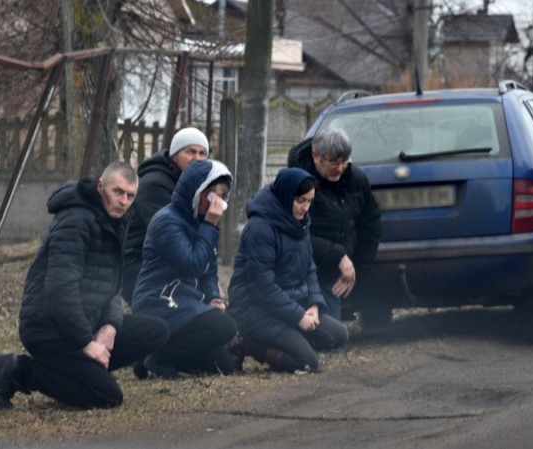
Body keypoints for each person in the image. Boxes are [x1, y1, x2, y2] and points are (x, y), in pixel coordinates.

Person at [0, 162, 169, 410]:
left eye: (130, 195)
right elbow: (61, 289)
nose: (124, 201)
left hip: (85, 319)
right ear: (101, 186)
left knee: (156, 329)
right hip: (48, 328)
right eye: (118, 192)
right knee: (108, 396)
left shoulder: (117, 220)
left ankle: (79, 372)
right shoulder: (75, 220)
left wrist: (110, 326)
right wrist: (86, 343)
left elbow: (112, 285)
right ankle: (19, 370)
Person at [228, 167, 349, 374]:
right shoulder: (260, 228)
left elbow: (310, 268)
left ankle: (290, 338)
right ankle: (246, 342)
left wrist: (313, 304)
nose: (305, 208)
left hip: (291, 304)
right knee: (307, 363)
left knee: (339, 335)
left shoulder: (300, 223)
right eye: (300, 200)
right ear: (285, 195)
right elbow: (262, 286)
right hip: (255, 309)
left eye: (309, 201)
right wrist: (297, 317)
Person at [130, 159, 238, 379]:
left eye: (222, 196)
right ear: (196, 191)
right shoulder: (167, 222)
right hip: (160, 301)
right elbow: (192, 265)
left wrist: (214, 298)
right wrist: (210, 225)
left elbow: (208, 269)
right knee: (224, 327)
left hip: (188, 301)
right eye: (211, 195)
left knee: (222, 365)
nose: (216, 202)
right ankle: (159, 357)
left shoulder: (202, 221)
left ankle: (149, 352)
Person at [287, 128, 381, 320]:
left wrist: (357, 270)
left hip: (338, 273)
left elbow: (370, 225)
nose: (340, 168)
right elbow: (294, 232)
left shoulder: (357, 180)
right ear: (316, 156)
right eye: (334, 162)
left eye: (344, 162)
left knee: (332, 336)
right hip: (305, 271)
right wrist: (339, 256)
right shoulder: (297, 182)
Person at [122, 127, 210, 299]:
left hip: (168, 264)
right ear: (175, 155)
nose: (197, 159)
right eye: (191, 151)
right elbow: (176, 239)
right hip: (137, 266)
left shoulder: (194, 185)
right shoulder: (155, 184)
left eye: (202, 153)